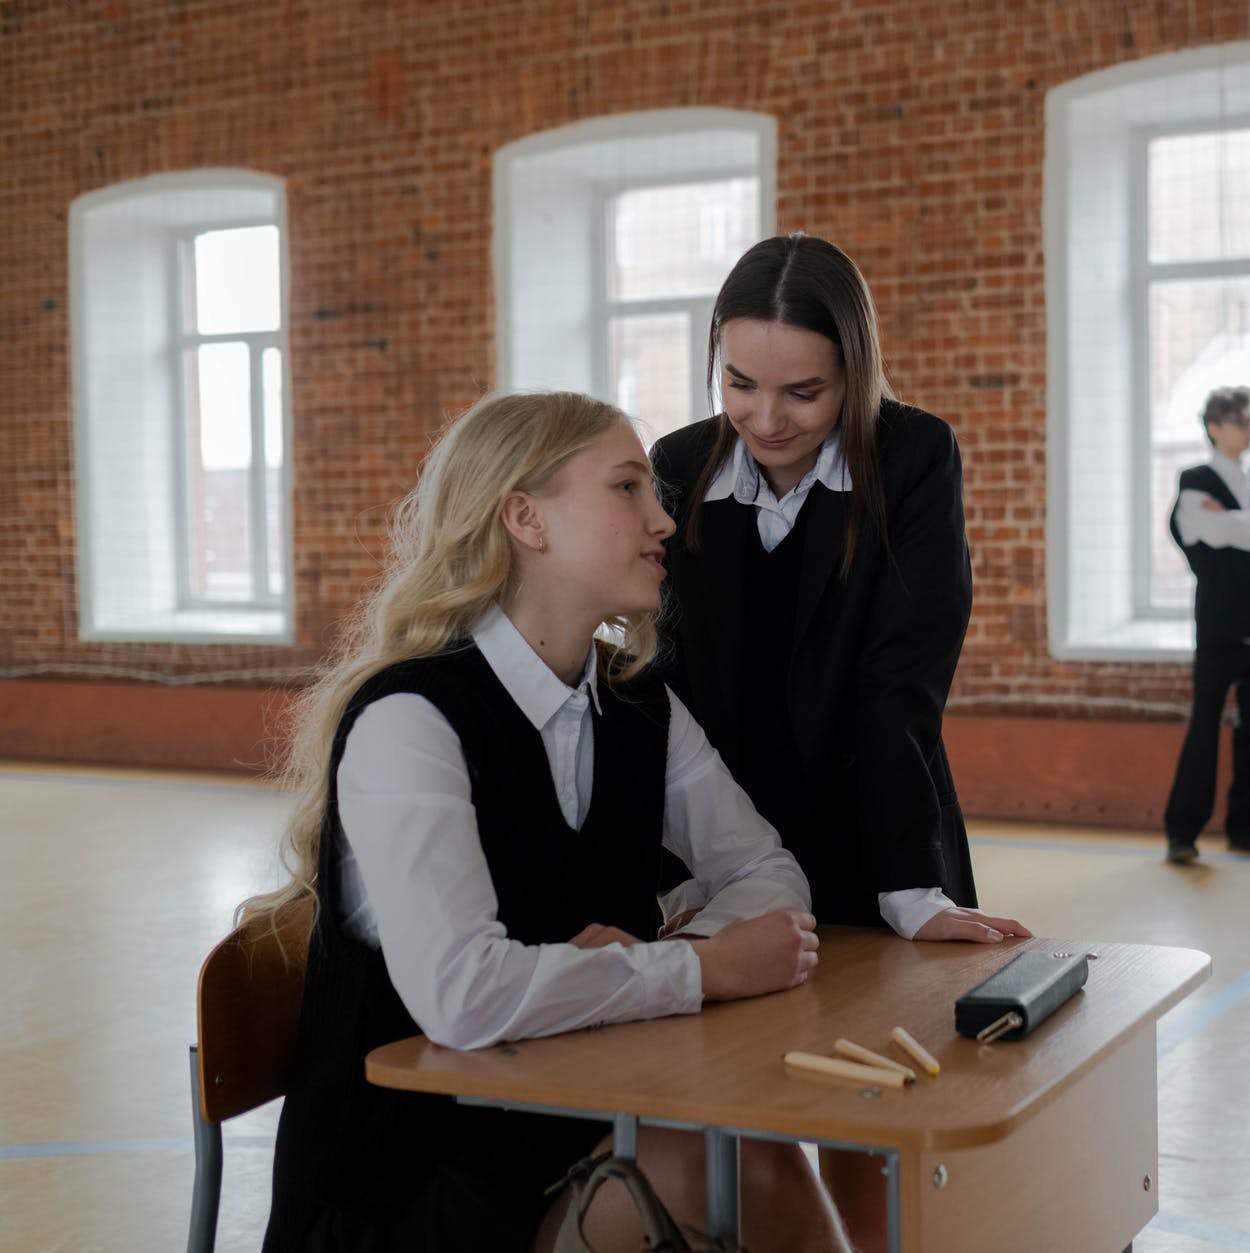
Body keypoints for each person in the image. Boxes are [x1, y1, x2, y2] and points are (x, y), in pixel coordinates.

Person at [244, 391, 847, 1253]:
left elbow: (767, 872)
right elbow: (462, 996)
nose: (664, 521)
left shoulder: (638, 703)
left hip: (568, 1123)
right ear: (526, 519)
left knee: (752, 1155)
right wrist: (695, 966)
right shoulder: (409, 721)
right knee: (717, 1171)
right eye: (628, 489)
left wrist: (652, 959)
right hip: (407, 1188)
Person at [650, 232, 1028, 1250]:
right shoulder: (679, 467)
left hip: (877, 832)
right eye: (739, 383)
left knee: (875, 1127)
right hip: (718, 852)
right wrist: (679, 877)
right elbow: (667, 694)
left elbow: (897, 684)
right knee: (736, 1116)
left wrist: (913, 892)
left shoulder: (912, 456)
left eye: (802, 394)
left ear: (853, 376)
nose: (765, 419)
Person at [1162, 385, 1250, 864]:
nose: (1248, 429)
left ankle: (1248, 828)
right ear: (1215, 428)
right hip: (1220, 625)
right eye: (1240, 421)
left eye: (1249, 421)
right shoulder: (1195, 478)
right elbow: (1206, 530)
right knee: (1204, 728)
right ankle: (1183, 832)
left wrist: (1240, 525)